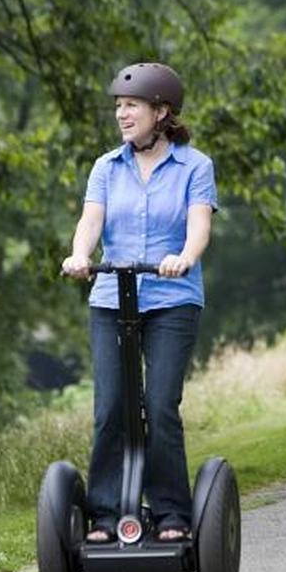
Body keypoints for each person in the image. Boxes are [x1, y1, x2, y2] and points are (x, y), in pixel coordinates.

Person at [61, 62, 217, 543]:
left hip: (172, 300)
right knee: (111, 408)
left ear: (161, 111)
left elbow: (198, 228)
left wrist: (184, 258)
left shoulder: (195, 165)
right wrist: (80, 254)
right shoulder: (106, 167)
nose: (122, 115)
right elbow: (91, 221)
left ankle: (171, 513)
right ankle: (105, 516)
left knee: (160, 406)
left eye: (131, 106)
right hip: (111, 300)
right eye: (119, 107)